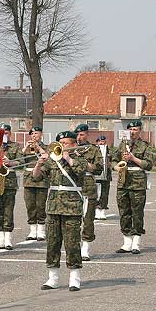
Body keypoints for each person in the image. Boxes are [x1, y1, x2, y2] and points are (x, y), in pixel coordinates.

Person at [32, 131, 86, 291]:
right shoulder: (52, 161)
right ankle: (52, 278)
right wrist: (39, 163)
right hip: (53, 207)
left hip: (72, 207)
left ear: (74, 144)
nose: (62, 146)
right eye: (60, 143)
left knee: (72, 244)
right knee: (52, 243)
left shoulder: (79, 159)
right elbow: (36, 177)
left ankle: (74, 278)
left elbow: (81, 171)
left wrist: (67, 157)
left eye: (66, 143)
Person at [113, 120, 153, 254]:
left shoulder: (145, 146)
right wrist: (116, 166)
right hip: (123, 182)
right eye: (130, 129)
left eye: (135, 129)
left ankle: (136, 242)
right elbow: (113, 159)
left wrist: (133, 158)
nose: (132, 132)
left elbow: (148, 165)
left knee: (137, 212)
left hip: (137, 183)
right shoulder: (122, 145)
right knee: (124, 212)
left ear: (140, 130)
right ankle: (126, 242)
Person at [0, 124, 22, 250]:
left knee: (8, 210)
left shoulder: (15, 146)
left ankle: (8, 239)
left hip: (10, 182)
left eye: (6, 132)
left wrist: (10, 162)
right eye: (1, 132)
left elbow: (22, 162)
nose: (4, 134)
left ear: (10, 133)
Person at [73, 124, 103, 261]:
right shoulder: (71, 148)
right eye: (77, 135)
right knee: (72, 219)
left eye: (82, 135)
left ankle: (85, 248)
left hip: (88, 185)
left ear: (87, 135)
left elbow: (98, 169)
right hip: (73, 185)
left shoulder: (94, 149)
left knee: (88, 218)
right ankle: (73, 247)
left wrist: (82, 161)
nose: (79, 137)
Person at [21, 126, 48, 241]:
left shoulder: (46, 146)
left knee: (41, 205)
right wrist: (27, 146)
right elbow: (19, 158)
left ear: (41, 134)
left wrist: (38, 147)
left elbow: (47, 156)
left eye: (36, 133)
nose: (34, 136)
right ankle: (32, 230)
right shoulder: (27, 148)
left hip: (42, 178)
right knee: (30, 205)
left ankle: (41, 230)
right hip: (28, 179)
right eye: (32, 134)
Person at [94, 135, 112, 221]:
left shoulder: (108, 150)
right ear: (97, 142)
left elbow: (113, 159)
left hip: (106, 175)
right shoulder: (94, 150)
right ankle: (97, 210)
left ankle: (103, 210)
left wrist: (110, 164)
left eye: (103, 142)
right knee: (96, 193)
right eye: (100, 141)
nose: (102, 143)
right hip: (97, 176)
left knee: (104, 193)